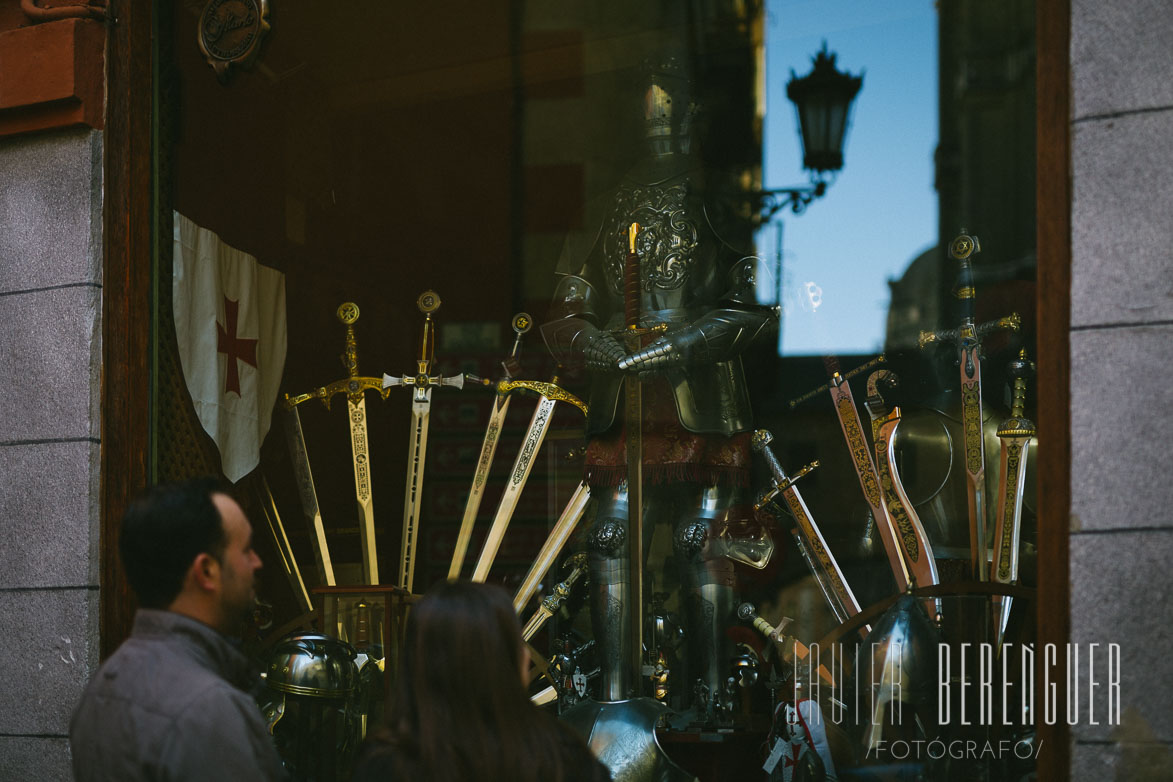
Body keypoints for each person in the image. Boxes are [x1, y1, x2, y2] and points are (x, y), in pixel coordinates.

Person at [70, 477, 287, 781]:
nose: (257, 562)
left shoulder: (101, 687)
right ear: (207, 571)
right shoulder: (211, 712)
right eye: (246, 549)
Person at [351, 581, 611, 782]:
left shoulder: (385, 763)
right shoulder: (560, 757)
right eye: (515, 640)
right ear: (505, 659)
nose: (524, 653)